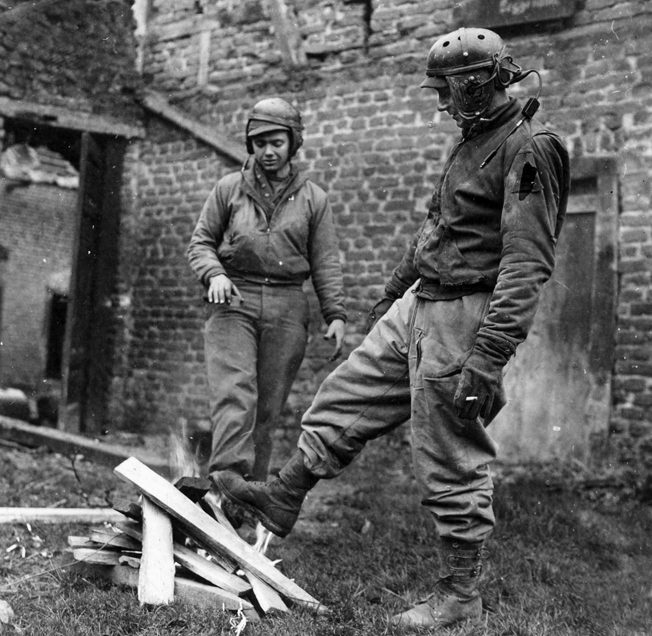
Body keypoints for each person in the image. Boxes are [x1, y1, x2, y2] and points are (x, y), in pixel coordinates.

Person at [215, 27, 570, 629]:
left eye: (447, 91)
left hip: (465, 317)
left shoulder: (529, 148)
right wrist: (389, 295)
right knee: (343, 396)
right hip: (422, 303)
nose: (439, 104)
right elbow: (438, 227)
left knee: (448, 450)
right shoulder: (471, 140)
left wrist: (488, 354)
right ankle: (284, 494)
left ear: (478, 84)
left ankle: (460, 592)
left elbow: (527, 262)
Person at [187, 97, 347, 514]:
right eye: (258, 143)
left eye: (276, 141)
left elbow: (325, 260)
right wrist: (215, 274)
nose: (267, 151)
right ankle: (223, 487)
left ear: (294, 143)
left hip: (287, 306)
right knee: (234, 394)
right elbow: (201, 242)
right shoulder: (228, 189)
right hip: (232, 300)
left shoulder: (314, 199)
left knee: (267, 408)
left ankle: (248, 500)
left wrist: (335, 314)